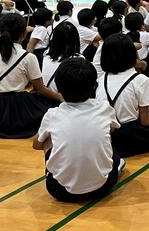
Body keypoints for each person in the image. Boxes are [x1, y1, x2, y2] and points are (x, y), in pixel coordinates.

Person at [33, 57, 122, 202]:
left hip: (60, 191)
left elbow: (36, 144)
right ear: (94, 86)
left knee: (47, 139)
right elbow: (112, 130)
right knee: (106, 133)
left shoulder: (52, 115)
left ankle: (63, 172)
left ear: (59, 89)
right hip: (103, 187)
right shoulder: (104, 108)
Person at [0, 14, 61, 138]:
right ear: (24, 33)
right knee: (52, 104)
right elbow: (41, 88)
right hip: (16, 114)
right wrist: (60, 97)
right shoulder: (28, 57)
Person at [41, 21, 81, 90]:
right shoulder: (78, 59)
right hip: (63, 95)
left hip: (47, 93)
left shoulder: (46, 53)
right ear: (76, 39)